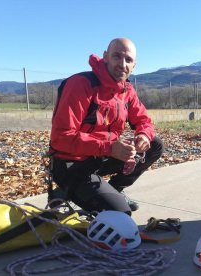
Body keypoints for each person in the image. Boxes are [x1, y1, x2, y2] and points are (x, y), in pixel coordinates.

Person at [49, 38, 163, 216]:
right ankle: (68, 190)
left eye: (128, 60)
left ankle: (115, 189)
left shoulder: (126, 91)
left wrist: (144, 136)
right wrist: (109, 147)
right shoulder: (81, 84)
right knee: (120, 216)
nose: (122, 64)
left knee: (155, 145)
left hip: (100, 157)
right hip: (72, 164)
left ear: (134, 65)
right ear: (105, 57)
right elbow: (60, 138)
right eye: (117, 56)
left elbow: (144, 121)